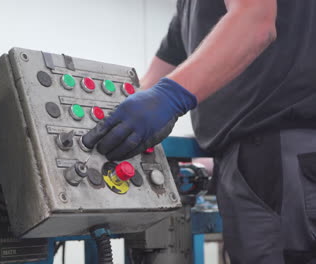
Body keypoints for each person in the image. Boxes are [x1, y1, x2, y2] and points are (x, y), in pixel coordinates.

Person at [82, 0, 316, 263]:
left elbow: (255, 22)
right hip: (247, 161)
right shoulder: (188, 7)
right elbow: (152, 81)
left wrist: (169, 97)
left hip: (281, 158)